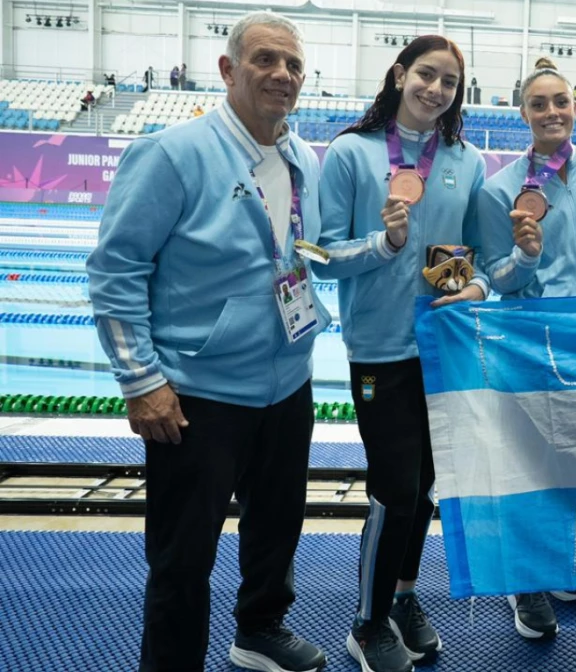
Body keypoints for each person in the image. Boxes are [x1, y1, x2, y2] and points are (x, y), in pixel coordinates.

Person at [86, 12, 330, 672]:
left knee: (276, 526)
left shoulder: (301, 157)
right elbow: (115, 270)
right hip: (199, 397)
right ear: (228, 69)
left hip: (289, 382)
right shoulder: (172, 154)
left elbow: (303, 253)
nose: (282, 75)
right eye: (265, 60)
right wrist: (142, 381)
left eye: (293, 65)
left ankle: (260, 630)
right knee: (183, 557)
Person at [315, 34, 486, 672]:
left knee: (427, 486)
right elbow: (322, 255)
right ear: (398, 74)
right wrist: (383, 245)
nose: (436, 90)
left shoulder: (467, 160)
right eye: (426, 75)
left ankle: (404, 597)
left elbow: (481, 256)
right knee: (395, 489)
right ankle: (367, 622)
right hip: (378, 351)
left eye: (449, 82)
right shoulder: (350, 153)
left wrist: (477, 287)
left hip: (443, 347)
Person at [477, 56, 576, 637]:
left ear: (575, 107)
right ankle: (525, 582)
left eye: (560, 102)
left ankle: (559, 561)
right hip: (531, 344)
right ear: (523, 114)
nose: (551, 112)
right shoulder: (498, 190)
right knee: (530, 467)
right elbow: (495, 276)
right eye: (539, 104)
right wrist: (526, 257)